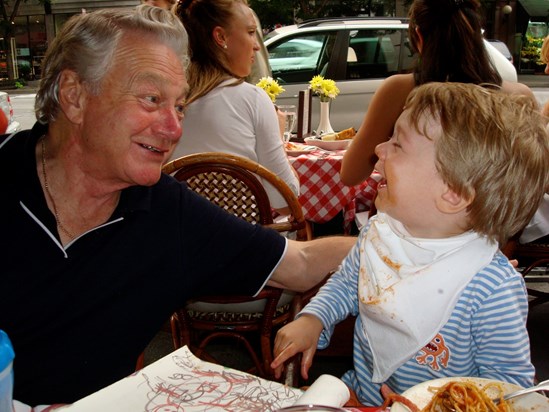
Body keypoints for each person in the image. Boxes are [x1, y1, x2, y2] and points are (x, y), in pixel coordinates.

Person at [0, 6, 356, 406]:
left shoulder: (168, 213)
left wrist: (400, 245)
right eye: (152, 99)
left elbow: (301, 264)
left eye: (180, 106)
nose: (173, 129)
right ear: (74, 96)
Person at [271, 82, 549, 406]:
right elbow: (348, 283)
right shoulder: (381, 233)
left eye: (397, 144)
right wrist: (314, 318)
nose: (379, 149)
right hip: (362, 393)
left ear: (453, 194)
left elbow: (509, 393)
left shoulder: (490, 290)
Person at [340, 0, 536, 187]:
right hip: (497, 219)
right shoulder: (519, 97)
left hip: (414, 218)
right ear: (477, 37)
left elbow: (350, 174)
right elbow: (535, 178)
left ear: (419, 37)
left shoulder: (400, 91)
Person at [170, 0, 299, 215]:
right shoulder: (252, 99)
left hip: (179, 242)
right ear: (220, 37)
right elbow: (286, 201)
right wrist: (277, 135)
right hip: (243, 243)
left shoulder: (168, 100)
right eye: (250, 32)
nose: (257, 45)